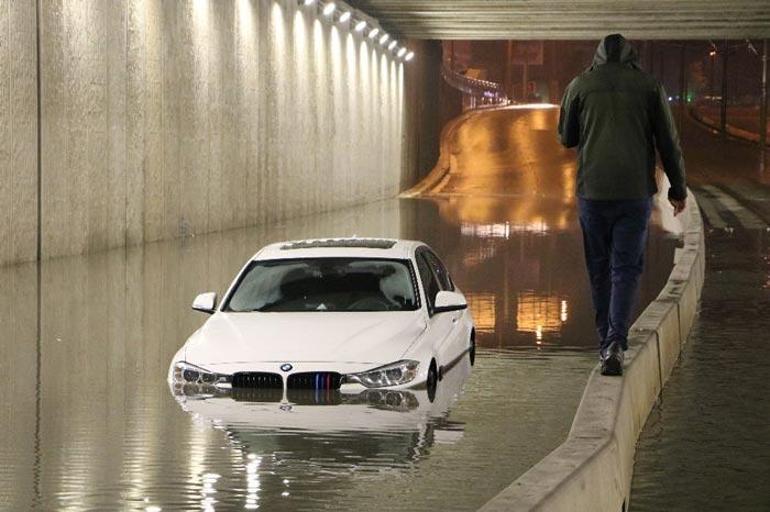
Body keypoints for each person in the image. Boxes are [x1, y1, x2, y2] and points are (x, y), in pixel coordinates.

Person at [558, 34, 687, 376]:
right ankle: (617, 341)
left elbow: (566, 137)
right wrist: (678, 188)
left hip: (593, 192)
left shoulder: (580, 85)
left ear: (597, 56)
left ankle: (605, 344)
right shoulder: (648, 86)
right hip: (634, 194)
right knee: (625, 269)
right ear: (631, 56)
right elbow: (668, 143)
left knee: (599, 269)